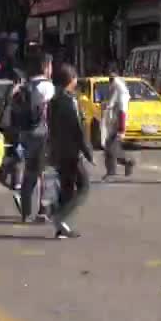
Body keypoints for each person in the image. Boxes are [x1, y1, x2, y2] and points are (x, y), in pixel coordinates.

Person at [48, 64, 93, 239]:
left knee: (66, 188)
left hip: (58, 150)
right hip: (71, 152)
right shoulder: (69, 100)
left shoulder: (54, 100)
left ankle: (62, 229)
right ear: (70, 80)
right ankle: (60, 216)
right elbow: (78, 129)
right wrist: (87, 151)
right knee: (83, 187)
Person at [19, 53, 55, 223]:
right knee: (46, 173)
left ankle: (26, 212)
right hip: (43, 134)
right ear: (46, 66)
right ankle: (43, 210)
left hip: (26, 133)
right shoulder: (47, 87)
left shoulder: (27, 85)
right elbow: (49, 112)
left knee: (30, 171)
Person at [103, 73, 135, 179]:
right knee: (113, 149)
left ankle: (111, 173)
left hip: (117, 126)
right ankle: (128, 162)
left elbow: (122, 112)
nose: (110, 83)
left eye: (111, 81)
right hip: (113, 125)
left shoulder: (121, 94)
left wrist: (121, 129)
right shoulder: (116, 92)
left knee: (111, 149)